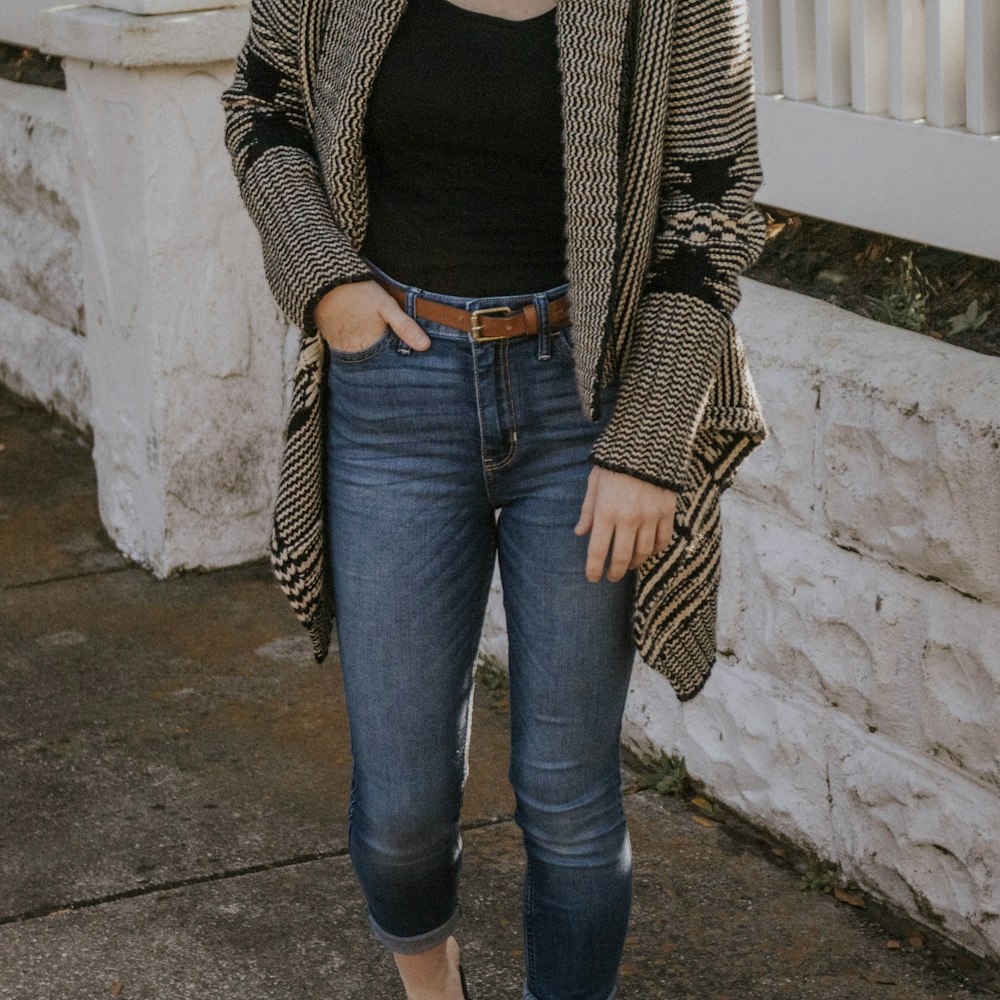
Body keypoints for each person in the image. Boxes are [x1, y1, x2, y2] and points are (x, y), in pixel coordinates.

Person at [222, 0, 768, 997]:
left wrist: (647, 444)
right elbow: (265, 107)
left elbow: (711, 204)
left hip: (587, 402)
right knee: (401, 811)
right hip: (394, 389)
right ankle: (433, 986)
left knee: (568, 798)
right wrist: (325, 280)